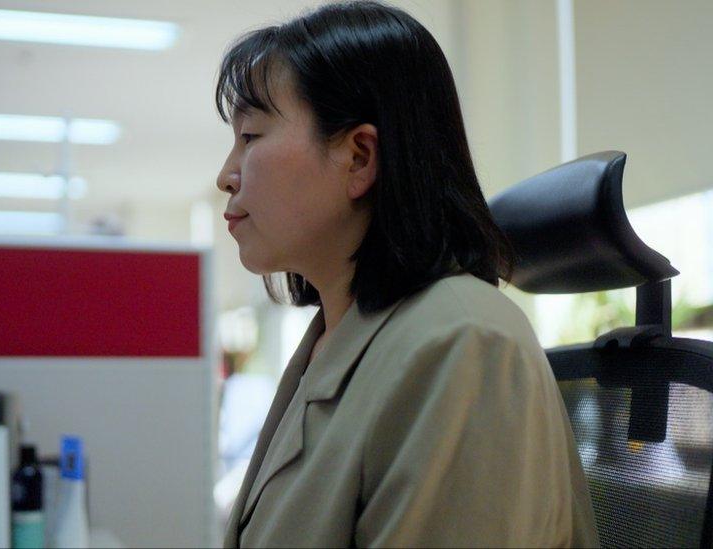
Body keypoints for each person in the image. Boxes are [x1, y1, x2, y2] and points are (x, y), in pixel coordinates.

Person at [214, 2, 600, 547]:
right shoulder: (338, 335)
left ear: (359, 157)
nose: (225, 176)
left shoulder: (464, 341)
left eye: (250, 137)